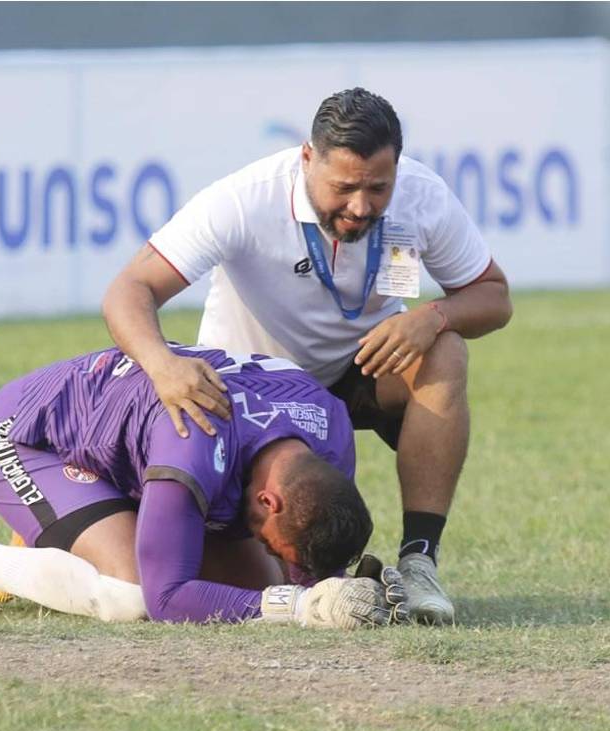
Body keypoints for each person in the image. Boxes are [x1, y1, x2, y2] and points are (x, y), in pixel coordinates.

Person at [102, 88, 513, 625]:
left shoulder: (422, 195)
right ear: (306, 159)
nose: (361, 205)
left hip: (360, 368)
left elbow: (494, 296)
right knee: (231, 582)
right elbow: (129, 289)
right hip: (253, 400)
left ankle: (418, 565)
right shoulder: (244, 200)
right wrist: (162, 365)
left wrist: (433, 316)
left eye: (377, 188)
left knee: (446, 352)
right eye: (344, 187)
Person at [0, 343, 407, 629]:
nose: (265, 546)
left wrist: (331, 589)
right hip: (32, 435)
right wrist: (301, 608)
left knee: (254, 584)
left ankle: (52, 535)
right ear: (268, 499)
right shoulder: (194, 440)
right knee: (130, 594)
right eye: (268, 536)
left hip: (135, 449)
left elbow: (304, 553)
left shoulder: (330, 431)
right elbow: (169, 600)